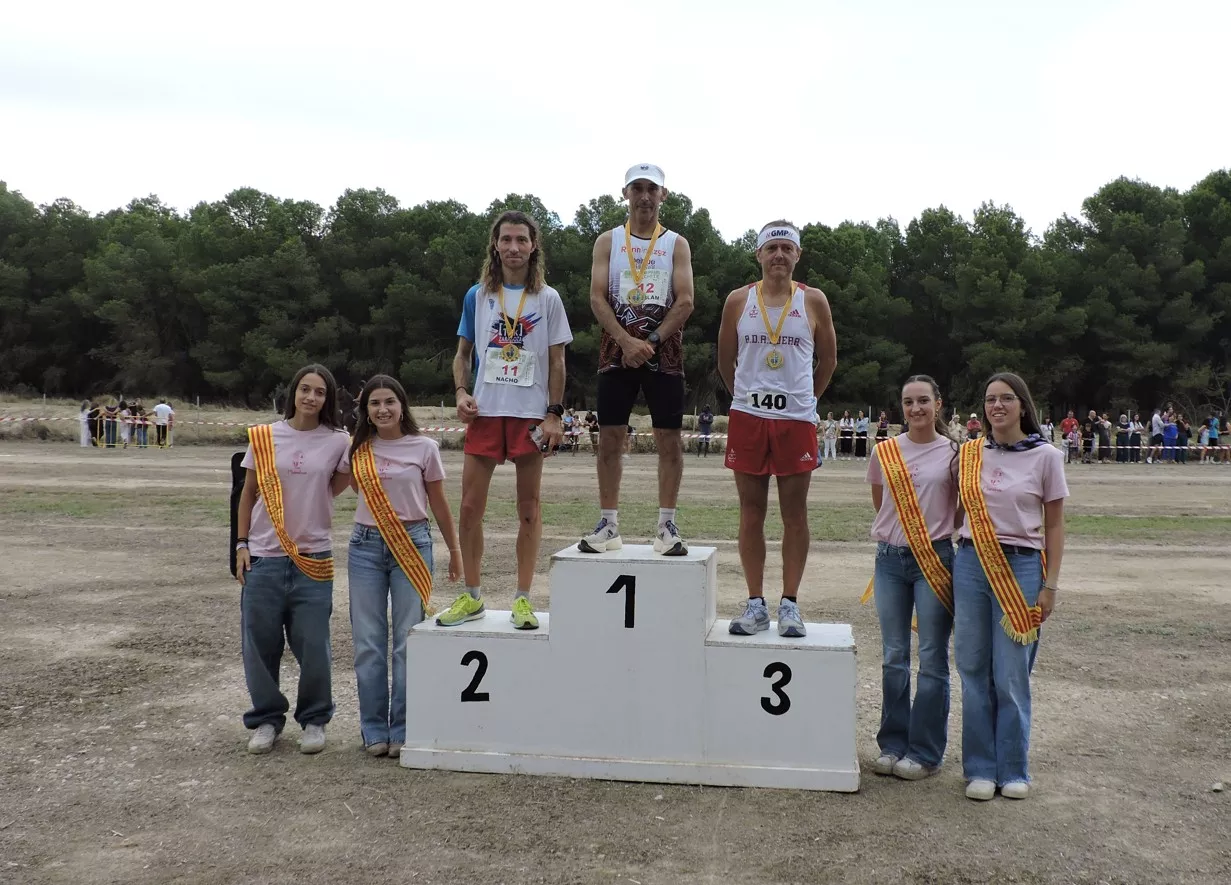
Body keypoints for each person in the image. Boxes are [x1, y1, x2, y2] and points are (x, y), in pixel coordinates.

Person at [444, 210, 572, 630]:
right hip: (485, 412)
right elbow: (463, 354)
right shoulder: (476, 296)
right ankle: (473, 596)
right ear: (495, 246)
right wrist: (462, 392)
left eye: (521, 240)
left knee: (530, 511)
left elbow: (557, 361)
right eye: (506, 240)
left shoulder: (548, 298)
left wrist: (554, 414)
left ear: (534, 246)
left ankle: (522, 599)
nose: (513, 247)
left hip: (529, 416)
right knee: (468, 509)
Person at [717, 221, 837, 638]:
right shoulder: (738, 301)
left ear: (798, 255)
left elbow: (828, 361)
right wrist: (746, 400)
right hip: (749, 418)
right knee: (751, 513)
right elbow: (725, 361)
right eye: (772, 248)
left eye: (787, 248)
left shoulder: (814, 301)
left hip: (796, 421)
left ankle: (790, 603)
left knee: (794, 514)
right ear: (759, 254)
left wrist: (805, 402)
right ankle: (755, 603)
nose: (779, 255)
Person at [954, 371, 1068, 801]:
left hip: (1020, 568)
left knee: (1011, 673)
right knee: (972, 667)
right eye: (989, 400)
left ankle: (1014, 768)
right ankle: (980, 767)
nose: (996, 406)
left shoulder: (1047, 457)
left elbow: (1055, 525)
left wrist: (1051, 583)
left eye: (1006, 398)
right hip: (969, 564)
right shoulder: (968, 454)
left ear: (1023, 404)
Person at [234, 364, 352, 755]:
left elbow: (334, 488)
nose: (311, 398)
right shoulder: (266, 436)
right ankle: (266, 719)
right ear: (294, 392)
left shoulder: (339, 441)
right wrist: (241, 544)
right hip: (264, 557)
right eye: (305, 389)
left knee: (314, 645)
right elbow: (248, 494)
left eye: (319, 392)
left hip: (313, 556)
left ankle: (315, 719)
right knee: (259, 644)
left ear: (327, 399)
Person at [580, 163, 695, 556]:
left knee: (670, 441)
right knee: (610, 437)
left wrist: (652, 339)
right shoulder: (608, 242)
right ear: (625, 192)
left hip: (665, 354)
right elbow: (597, 297)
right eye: (638, 188)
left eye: (652, 189)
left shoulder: (676, 243)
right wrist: (625, 341)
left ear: (664, 195)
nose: (645, 195)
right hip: (616, 351)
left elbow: (686, 300)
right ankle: (609, 524)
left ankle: (666, 525)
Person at [344, 376, 461, 758]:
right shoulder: (356, 449)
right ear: (365, 410)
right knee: (368, 642)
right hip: (365, 546)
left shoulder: (425, 447)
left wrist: (455, 550)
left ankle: (405, 727)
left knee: (408, 641)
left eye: (389, 401)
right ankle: (373, 728)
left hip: (412, 543)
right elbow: (355, 489)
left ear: (402, 405)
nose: (382, 409)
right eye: (374, 403)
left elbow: (439, 502)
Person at [865, 375, 958, 780]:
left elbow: (960, 508)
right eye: (908, 402)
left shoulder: (956, 453)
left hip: (934, 559)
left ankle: (925, 752)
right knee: (894, 656)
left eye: (923, 401)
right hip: (889, 560)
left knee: (933, 657)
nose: (916, 409)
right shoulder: (884, 451)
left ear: (938, 405)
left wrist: (935, 531)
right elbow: (880, 502)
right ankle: (893, 744)